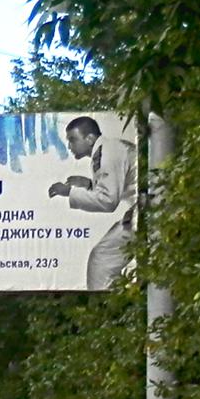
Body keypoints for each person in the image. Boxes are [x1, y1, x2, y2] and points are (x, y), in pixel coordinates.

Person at [49, 115, 138, 290]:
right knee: (105, 256)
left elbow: (107, 201)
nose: (69, 146)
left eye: (73, 140)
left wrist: (69, 192)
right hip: (148, 205)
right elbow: (121, 187)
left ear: (90, 139)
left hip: (149, 208)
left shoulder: (107, 151)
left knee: (102, 259)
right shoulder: (109, 148)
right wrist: (89, 185)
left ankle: (104, 309)